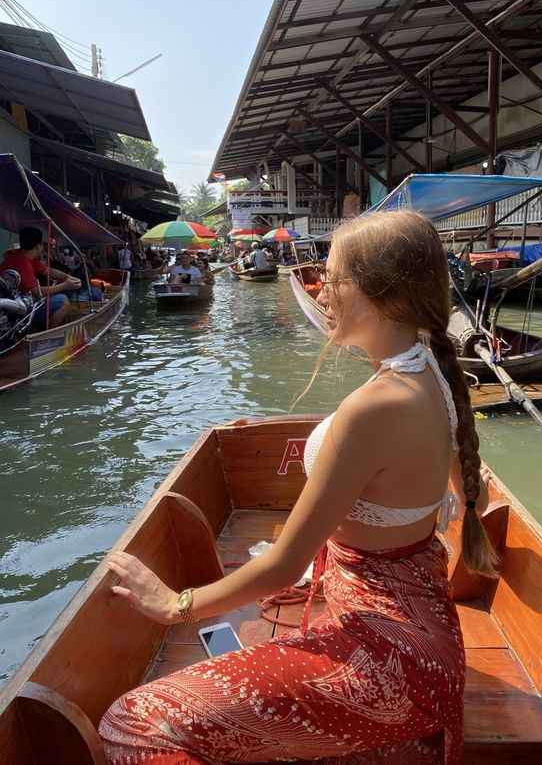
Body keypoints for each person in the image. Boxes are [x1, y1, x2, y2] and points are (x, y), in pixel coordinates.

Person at [99, 210, 495, 764]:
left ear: (380, 292)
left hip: (388, 657)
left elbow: (283, 565)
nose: (320, 290)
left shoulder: (374, 407)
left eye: (331, 278)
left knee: (130, 724)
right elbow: (446, 488)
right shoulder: (434, 372)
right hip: (424, 635)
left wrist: (175, 604)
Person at [0, 227, 81, 330]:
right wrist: (65, 285)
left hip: (20, 304)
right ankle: (49, 336)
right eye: (42, 244)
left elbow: (49, 271)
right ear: (38, 246)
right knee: (63, 301)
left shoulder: (23, 257)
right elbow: (37, 292)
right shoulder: (22, 262)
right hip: (16, 312)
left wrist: (68, 277)